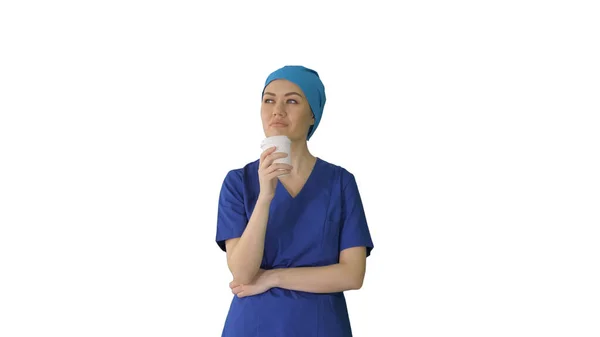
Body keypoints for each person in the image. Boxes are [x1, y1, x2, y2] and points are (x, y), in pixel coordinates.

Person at [215, 65, 374, 336]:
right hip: (253, 325)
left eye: (292, 100)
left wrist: (273, 278)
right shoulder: (238, 182)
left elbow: (352, 275)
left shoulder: (339, 183)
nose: (277, 110)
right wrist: (265, 196)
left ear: (313, 114)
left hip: (321, 326)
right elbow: (242, 274)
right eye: (269, 100)